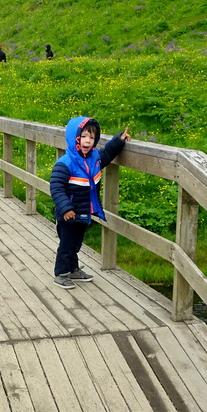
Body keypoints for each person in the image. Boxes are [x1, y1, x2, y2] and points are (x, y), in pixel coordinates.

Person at [49, 116, 129, 289]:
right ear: (75, 138)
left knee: (76, 243)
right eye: (84, 136)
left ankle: (73, 269)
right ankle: (61, 274)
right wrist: (65, 208)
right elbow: (56, 187)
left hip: (84, 210)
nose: (88, 141)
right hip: (69, 213)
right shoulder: (66, 163)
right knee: (66, 245)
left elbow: (107, 153)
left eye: (92, 138)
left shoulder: (94, 158)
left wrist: (118, 140)